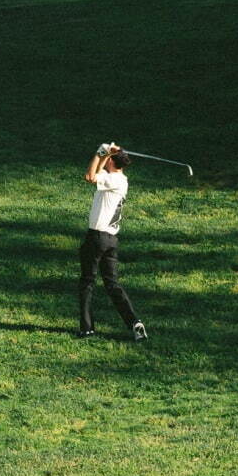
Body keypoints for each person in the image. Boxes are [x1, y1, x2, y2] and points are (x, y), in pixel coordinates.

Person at [77, 142, 147, 342]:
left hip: (97, 237)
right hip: (111, 240)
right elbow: (98, 173)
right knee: (112, 284)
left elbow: (90, 176)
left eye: (109, 159)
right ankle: (134, 322)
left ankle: (87, 328)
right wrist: (107, 155)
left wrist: (100, 152)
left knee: (87, 282)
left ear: (113, 163)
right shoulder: (119, 179)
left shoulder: (113, 179)